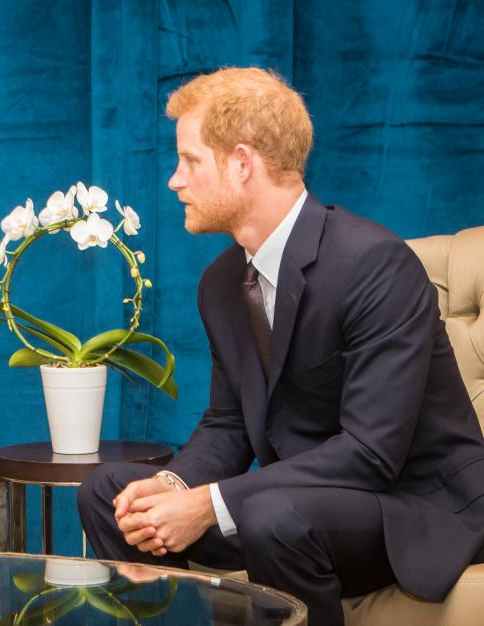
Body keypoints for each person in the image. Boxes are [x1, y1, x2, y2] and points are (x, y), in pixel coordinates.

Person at [77, 67, 484, 625]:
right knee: (110, 491)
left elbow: (371, 453)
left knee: (273, 516)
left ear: (243, 163)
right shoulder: (221, 284)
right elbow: (227, 424)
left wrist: (207, 505)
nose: (175, 180)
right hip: (289, 509)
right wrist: (170, 487)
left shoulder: (375, 264)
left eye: (190, 161)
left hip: (412, 509)